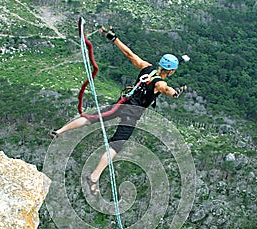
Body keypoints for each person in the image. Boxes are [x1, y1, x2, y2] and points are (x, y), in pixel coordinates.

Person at [49, 26, 187, 196]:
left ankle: (60, 131)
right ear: (171, 71)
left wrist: (113, 38)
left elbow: (129, 54)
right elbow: (165, 88)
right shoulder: (160, 83)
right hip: (131, 114)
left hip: (121, 104)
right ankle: (94, 177)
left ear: (160, 64)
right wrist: (174, 93)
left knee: (92, 117)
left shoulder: (147, 68)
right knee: (116, 145)